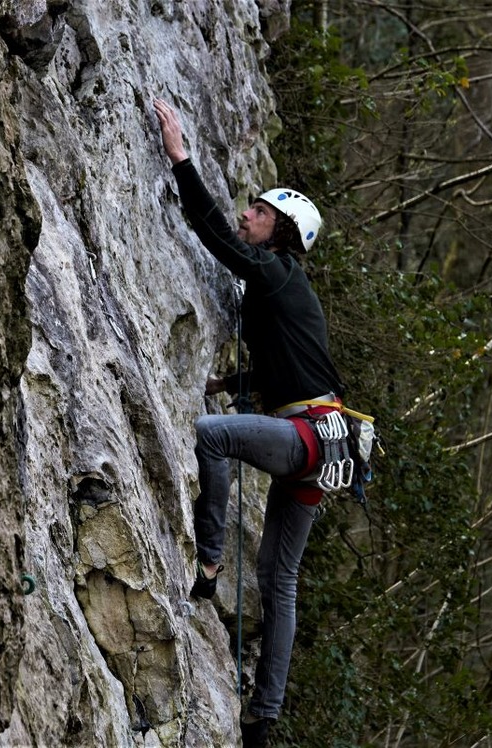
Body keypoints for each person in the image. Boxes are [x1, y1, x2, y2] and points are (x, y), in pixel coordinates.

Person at [153, 98, 345, 747]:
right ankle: (264, 720)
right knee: (279, 581)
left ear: (282, 230)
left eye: (260, 211)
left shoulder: (274, 272)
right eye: (251, 207)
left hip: (308, 437)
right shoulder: (288, 290)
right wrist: (230, 383)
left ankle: (207, 566)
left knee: (211, 435)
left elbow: (213, 232)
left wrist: (181, 159)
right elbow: (290, 372)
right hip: (332, 442)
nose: (247, 214)